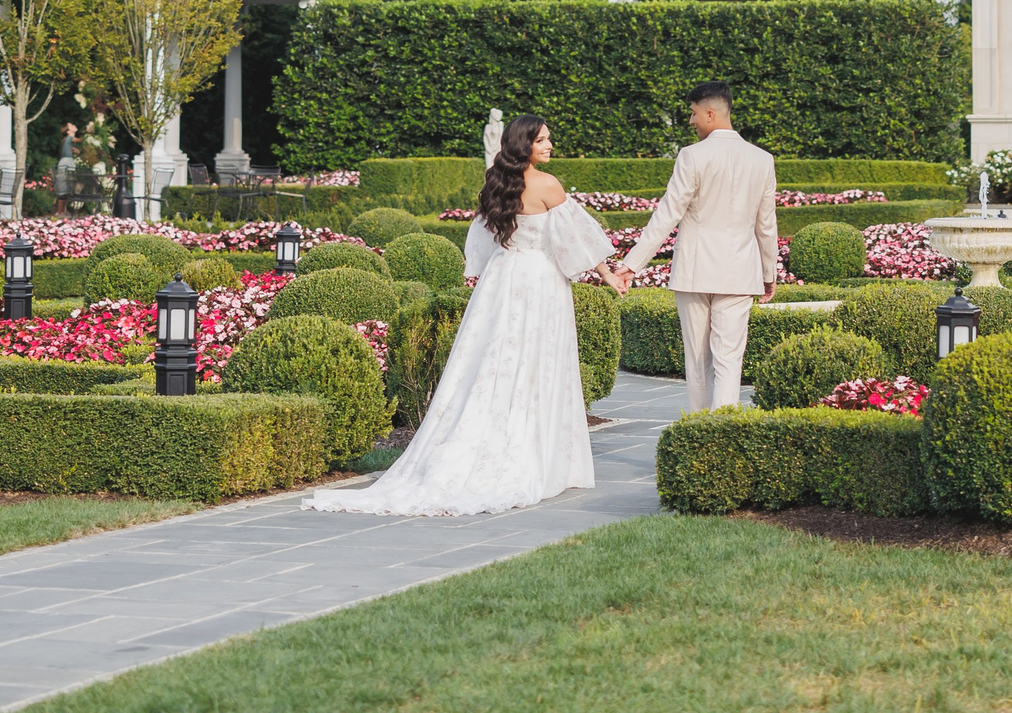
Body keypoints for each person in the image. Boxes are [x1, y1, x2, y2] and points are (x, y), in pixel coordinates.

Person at [306, 114, 628, 518]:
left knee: (490, 363)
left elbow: (482, 241)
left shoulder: (496, 183)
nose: (550, 146)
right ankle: (536, 456)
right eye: (543, 140)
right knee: (535, 363)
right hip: (539, 282)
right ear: (524, 143)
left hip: (501, 278)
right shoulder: (548, 185)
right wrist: (609, 275)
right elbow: (580, 241)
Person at [617, 81, 776, 411]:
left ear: (709, 113)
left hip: (695, 269)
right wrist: (769, 272)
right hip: (739, 271)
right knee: (729, 362)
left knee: (698, 363)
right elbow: (766, 225)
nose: (690, 121)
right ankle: (721, 436)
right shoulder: (762, 159)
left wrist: (632, 263)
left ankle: (698, 437)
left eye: (692, 114)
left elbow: (667, 213)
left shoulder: (692, 155)